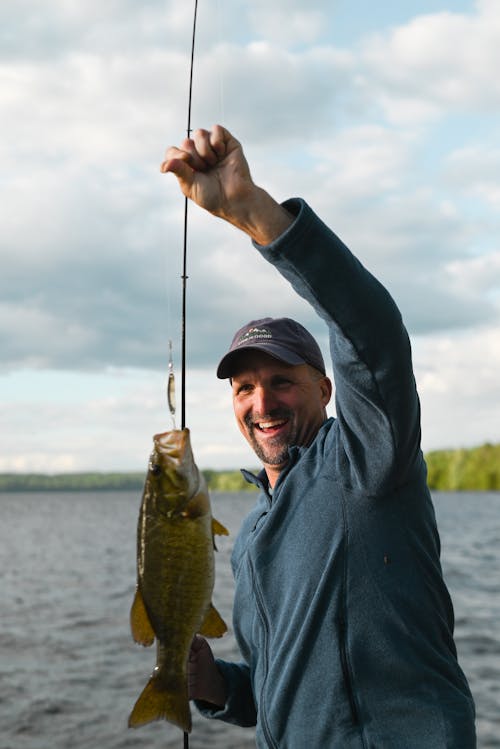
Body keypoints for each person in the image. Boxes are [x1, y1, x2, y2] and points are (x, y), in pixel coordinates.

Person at [161, 125, 476, 748]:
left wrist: (256, 213)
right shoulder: (249, 535)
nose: (262, 402)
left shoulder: (367, 461)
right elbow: (277, 690)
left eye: (282, 381)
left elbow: (373, 334)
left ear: (326, 390)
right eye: (243, 389)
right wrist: (214, 686)